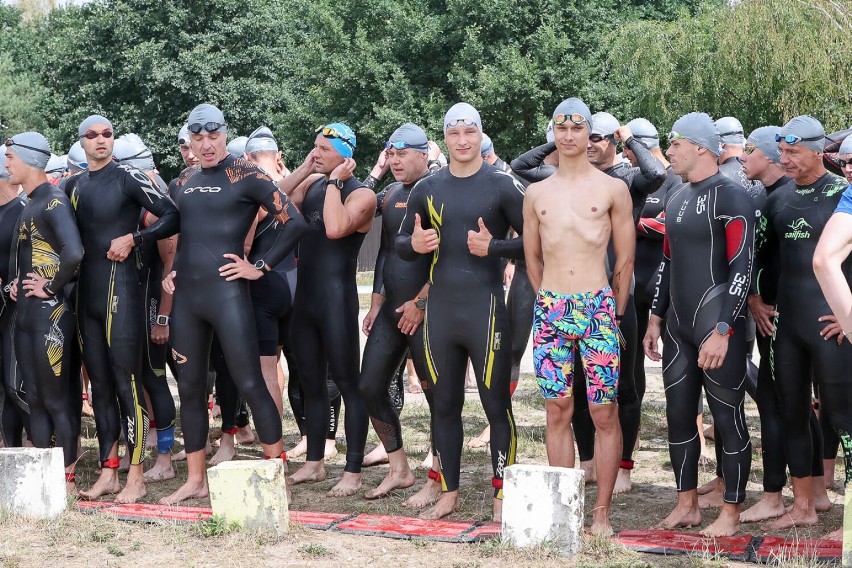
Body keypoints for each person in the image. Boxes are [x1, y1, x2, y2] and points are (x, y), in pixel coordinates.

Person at [161, 103, 306, 504]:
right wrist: (171, 267)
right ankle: (195, 479)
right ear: (189, 140)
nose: (206, 146)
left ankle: (277, 472)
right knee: (189, 388)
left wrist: (259, 266)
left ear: (225, 134)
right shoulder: (186, 179)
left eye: (213, 137)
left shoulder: (247, 175)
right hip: (188, 297)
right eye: (198, 138)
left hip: (228, 295)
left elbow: (295, 222)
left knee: (250, 382)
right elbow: (181, 228)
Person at [395, 102, 524, 521]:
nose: (463, 141)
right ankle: (448, 492)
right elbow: (400, 244)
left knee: (495, 407)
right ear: (445, 138)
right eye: (455, 133)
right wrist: (413, 247)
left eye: (470, 132)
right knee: (444, 406)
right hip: (442, 315)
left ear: (480, 135)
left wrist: (496, 248)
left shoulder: (502, 184)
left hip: (486, 312)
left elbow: (536, 240)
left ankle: (501, 494)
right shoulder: (427, 188)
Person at [643, 112, 756, 537]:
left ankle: (730, 512)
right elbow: (668, 264)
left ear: (701, 148)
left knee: (728, 418)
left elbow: (741, 268)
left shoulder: (732, 196)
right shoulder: (675, 197)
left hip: (717, 325)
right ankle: (686, 504)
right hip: (677, 326)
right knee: (678, 414)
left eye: (675, 144)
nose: (668, 151)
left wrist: (725, 329)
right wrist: (655, 318)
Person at [524, 97, 633, 536]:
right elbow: (532, 258)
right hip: (552, 309)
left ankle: (602, 512)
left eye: (577, 128)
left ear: (590, 133)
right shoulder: (537, 192)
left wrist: (616, 313)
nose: (569, 136)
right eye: (561, 128)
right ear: (554, 132)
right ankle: (563, 511)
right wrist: (549, 302)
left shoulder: (612, 189)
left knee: (604, 411)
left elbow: (624, 260)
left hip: (599, 308)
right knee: (557, 409)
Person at [65, 115, 180, 503]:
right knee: (99, 386)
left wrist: (135, 237)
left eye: (108, 134)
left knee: (127, 382)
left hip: (124, 292)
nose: (101, 140)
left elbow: (172, 215)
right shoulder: (74, 185)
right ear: (81, 142)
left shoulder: (128, 177)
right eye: (93, 135)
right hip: (87, 296)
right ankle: (108, 471)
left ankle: (137, 475)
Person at [757, 116, 851, 533]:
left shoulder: (843, 194)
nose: (785, 159)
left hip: (832, 324)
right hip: (787, 325)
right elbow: (759, 257)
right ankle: (804, 505)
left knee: (843, 417)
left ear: (818, 151)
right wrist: (757, 300)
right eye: (781, 151)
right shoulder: (777, 199)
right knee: (792, 411)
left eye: (793, 152)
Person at [5, 132, 84, 491]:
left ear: (29, 161)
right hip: (26, 316)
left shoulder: (53, 202)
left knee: (54, 400)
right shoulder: (30, 202)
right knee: (33, 397)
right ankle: (43, 475)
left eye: (11, 158)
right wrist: (16, 284)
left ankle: (66, 479)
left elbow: (74, 252)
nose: (6, 165)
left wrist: (50, 287)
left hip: (50, 315)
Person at [359, 123, 434, 499]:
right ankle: (399, 468)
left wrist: (421, 302)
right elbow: (387, 252)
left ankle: (439, 475)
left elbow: (448, 259)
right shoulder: (390, 195)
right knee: (370, 386)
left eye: (403, 154)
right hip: (392, 309)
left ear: (424, 153)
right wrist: (376, 303)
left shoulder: (439, 189)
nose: (395, 161)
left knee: (439, 397)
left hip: (428, 311)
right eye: (391, 154)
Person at [468, 133, 533, 451]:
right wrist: (507, 256)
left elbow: (527, 232)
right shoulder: (515, 174)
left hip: (550, 274)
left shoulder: (509, 177)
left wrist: (498, 251)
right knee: (511, 350)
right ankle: (497, 422)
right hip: (525, 272)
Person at [0, 150, 26, 448]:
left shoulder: (22, 210)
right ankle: (11, 450)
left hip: (19, 310)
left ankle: (33, 449)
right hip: (3, 308)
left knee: (16, 386)